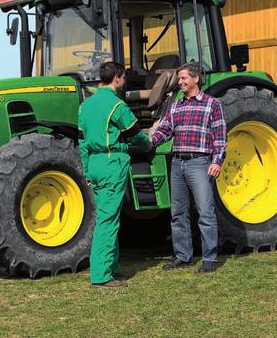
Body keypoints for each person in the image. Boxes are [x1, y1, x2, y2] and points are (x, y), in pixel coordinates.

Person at [78, 61, 151, 288]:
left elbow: (82, 142)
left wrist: (88, 171)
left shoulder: (85, 106)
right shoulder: (117, 106)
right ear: (117, 78)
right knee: (108, 221)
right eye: (123, 78)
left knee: (107, 217)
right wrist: (147, 143)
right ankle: (101, 275)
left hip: (95, 165)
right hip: (112, 163)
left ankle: (112, 266)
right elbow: (135, 133)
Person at [149, 62, 227, 273]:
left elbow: (220, 136)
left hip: (199, 163)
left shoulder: (212, 104)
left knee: (205, 212)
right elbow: (165, 130)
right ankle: (183, 257)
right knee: (178, 213)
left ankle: (210, 257)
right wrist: (149, 141)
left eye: (183, 78)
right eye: (180, 78)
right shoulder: (176, 106)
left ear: (196, 79)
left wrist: (216, 161)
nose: (180, 82)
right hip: (177, 163)